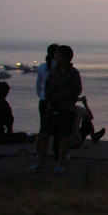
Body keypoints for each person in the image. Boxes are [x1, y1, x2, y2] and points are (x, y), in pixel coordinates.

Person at [33, 45, 82, 174]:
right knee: (44, 136)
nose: (56, 57)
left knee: (63, 137)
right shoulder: (54, 71)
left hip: (66, 109)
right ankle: (40, 163)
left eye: (59, 56)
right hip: (51, 107)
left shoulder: (73, 73)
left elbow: (76, 90)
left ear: (66, 58)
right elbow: (46, 86)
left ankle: (60, 164)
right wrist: (50, 95)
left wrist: (59, 95)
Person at [35, 44, 60, 156]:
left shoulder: (42, 67)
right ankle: (57, 153)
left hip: (43, 100)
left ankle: (40, 151)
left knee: (43, 127)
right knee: (57, 129)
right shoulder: (60, 67)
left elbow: (38, 85)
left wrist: (41, 96)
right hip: (56, 101)